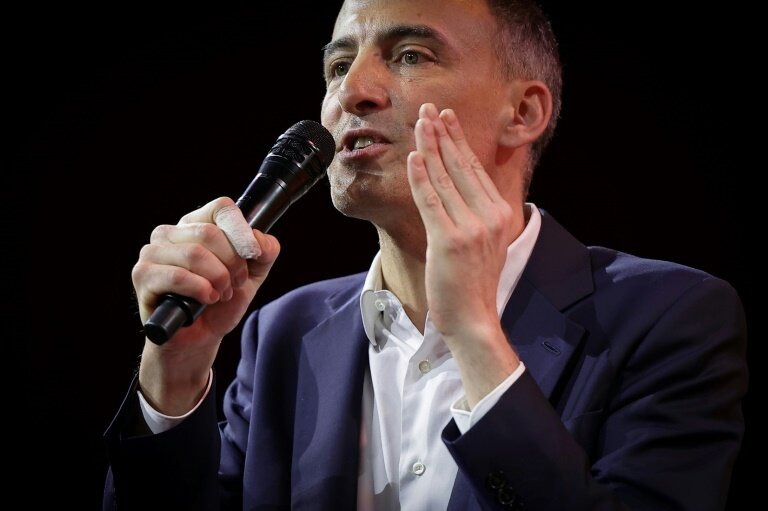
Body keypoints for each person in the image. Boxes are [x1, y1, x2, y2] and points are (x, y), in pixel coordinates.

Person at [103, 0, 748, 509]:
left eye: (409, 55)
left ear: (522, 112)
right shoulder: (284, 332)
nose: (353, 92)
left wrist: (474, 333)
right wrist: (175, 373)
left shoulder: (672, 316)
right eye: (337, 66)